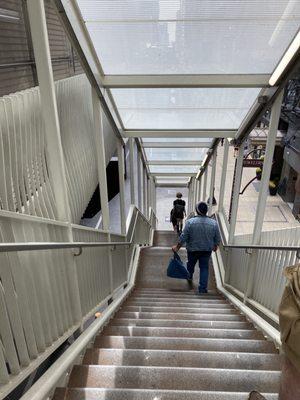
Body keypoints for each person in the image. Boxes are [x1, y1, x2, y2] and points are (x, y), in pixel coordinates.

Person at [172, 201, 220, 294]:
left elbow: (184, 236)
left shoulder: (190, 222)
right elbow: (217, 237)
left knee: (190, 264)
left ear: (197, 211)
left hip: (192, 250)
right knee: (204, 268)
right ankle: (202, 289)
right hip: (206, 250)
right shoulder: (214, 223)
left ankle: (189, 276)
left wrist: (177, 247)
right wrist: (215, 245)